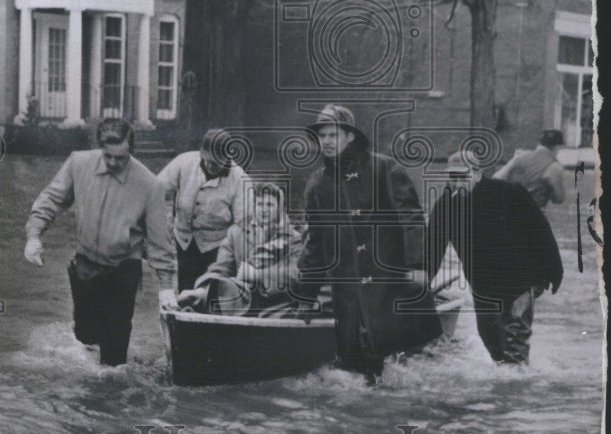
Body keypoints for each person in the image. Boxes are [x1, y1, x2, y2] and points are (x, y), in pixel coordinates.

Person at [297, 104, 441, 383]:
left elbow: (411, 219)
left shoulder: (384, 168)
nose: (325, 142)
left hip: (390, 285)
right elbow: (315, 245)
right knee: (358, 371)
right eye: (322, 136)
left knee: (407, 367)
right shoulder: (317, 185)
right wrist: (307, 295)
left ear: (350, 136)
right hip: (348, 292)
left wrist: (419, 266)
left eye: (332, 135)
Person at [24, 118, 176, 366]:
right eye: (109, 157)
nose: (115, 163)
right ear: (100, 148)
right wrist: (34, 236)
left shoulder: (150, 185)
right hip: (85, 264)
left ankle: (112, 396)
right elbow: (51, 199)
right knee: (86, 337)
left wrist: (167, 285)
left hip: (123, 269)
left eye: (121, 158)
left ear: (131, 150)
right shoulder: (78, 163)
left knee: (113, 357)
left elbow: (160, 241)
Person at [426, 150, 563, 366]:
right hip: (483, 285)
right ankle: (505, 383)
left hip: (520, 280)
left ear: (477, 174)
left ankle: (517, 386)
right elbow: (433, 247)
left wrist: (553, 273)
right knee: (491, 339)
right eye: (452, 177)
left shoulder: (508, 193)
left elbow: (540, 231)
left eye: (463, 176)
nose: (457, 182)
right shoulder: (446, 206)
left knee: (515, 341)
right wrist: (423, 280)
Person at [178, 181, 303, 315]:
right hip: (238, 300)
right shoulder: (236, 233)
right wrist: (204, 288)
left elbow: (295, 274)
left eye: (269, 205)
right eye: (260, 204)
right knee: (214, 293)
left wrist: (258, 275)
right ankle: (202, 296)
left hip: (275, 303)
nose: (264, 210)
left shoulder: (293, 238)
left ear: (279, 208)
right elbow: (221, 268)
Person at [157, 128, 249, 292]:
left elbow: (243, 224)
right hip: (185, 240)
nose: (210, 165)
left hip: (217, 246)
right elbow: (157, 191)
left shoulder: (239, 179)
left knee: (212, 291)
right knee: (186, 290)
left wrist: (234, 257)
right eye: (207, 159)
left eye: (216, 162)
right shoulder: (184, 162)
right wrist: (164, 222)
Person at [494, 129, 566, 209]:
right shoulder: (554, 166)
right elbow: (559, 199)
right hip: (533, 213)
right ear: (557, 146)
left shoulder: (519, 157)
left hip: (509, 210)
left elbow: (496, 178)